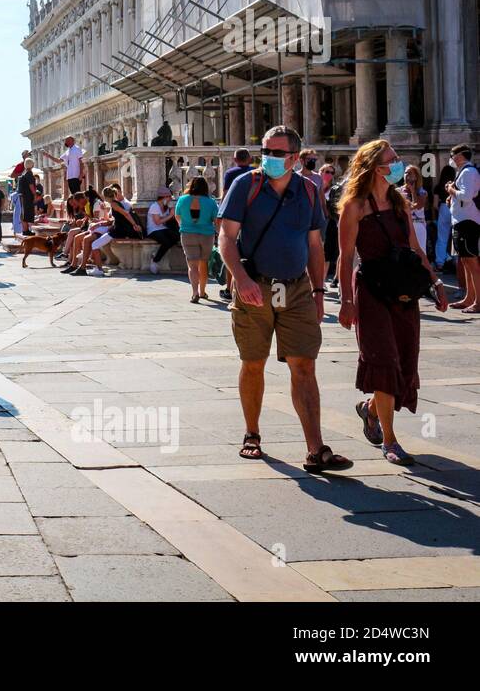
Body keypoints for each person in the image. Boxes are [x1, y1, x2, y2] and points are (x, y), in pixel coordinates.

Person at [218, 125, 351, 472]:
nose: (269, 158)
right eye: (265, 151)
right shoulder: (245, 185)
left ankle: (315, 449)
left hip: (297, 290)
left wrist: (320, 291)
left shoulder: (308, 191)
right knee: (253, 362)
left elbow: (314, 245)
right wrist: (241, 279)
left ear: (294, 157)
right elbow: (226, 238)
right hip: (255, 286)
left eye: (277, 153)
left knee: (304, 365)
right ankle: (252, 433)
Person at [338, 140, 449, 467]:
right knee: (384, 360)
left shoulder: (400, 201)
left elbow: (415, 247)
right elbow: (345, 259)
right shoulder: (355, 206)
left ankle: (371, 409)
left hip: (403, 290)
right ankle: (391, 440)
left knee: (404, 362)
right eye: (392, 160)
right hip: (372, 291)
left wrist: (436, 282)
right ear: (374, 166)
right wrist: (346, 302)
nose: (398, 164)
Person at [446, 144, 479, 312]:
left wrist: (451, 190)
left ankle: (478, 301)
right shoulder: (464, 172)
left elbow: (466, 196)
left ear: (459, 156)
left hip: (467, 222)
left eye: (452, 155)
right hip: (461, 220)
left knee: (471, 261)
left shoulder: (468, 172)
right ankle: (470, 298)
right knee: (465, 260)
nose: (451, 158)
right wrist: (452, 198)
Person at [176, 176, 218, 301]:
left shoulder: (182, 200)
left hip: (187, 234)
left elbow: (178, 216)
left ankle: (194, 293)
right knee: (203, 263)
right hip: (206, 235)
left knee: (192, 265)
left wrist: (184, 226)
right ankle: (202, 292)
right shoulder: (211, 202)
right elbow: (216, 220)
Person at [146, 186, 179, 273]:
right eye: (169, 197)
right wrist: (170, 215)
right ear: (164, 197)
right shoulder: (154, 206)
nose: (169, 200)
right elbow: (157, 222)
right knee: (166, 242)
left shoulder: (165, 207)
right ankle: (155, 260)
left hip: (163, 229)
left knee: (176, 237)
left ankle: (156, 256)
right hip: (153, 230)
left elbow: (165, 222)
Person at [401, 164, 429, 254]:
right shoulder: (398, 191)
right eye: (406, 173)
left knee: (420, 253)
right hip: (404, 225)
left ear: (416, 177)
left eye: (410, 174)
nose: (407, 176)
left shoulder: (422, 192)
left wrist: (413, 190)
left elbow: (417, 206)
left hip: (418, 226)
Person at [433, 163, 456, 271]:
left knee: (442, 237)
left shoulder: (438, 187)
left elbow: (434, 205)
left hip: (443, 208)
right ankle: (456, 261)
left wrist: (441, 211)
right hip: (456, 208)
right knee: (456, 235)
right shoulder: (455, 185)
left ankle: (440, 262)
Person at [16, 159, 36, 236]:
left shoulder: (24, 174)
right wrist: (34, 194)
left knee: (24, 214)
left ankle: (25, 230)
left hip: (22, 196)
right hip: (27, 196)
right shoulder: (29, 174)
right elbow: (31, 186)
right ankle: (26, 230)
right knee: (26, 214)